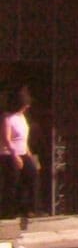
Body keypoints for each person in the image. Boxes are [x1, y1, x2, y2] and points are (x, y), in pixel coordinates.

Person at [2, 88, 38, 225]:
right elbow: (6, 138)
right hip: (9, 154)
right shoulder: (7, 118)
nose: (27, 107)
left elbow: (24, 138)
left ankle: (28, 208)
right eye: (24, 105)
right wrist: (14, 156)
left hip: (23, 152)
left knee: (32, 175)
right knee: (12, 182)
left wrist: (29, 155)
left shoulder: (22, 117)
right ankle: (8, 211)